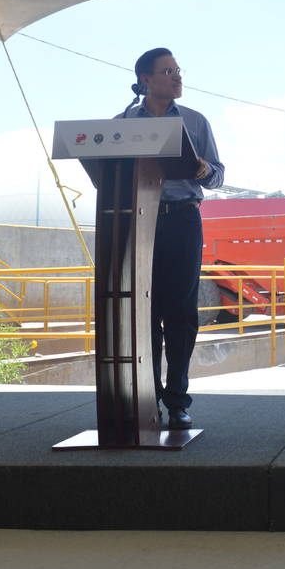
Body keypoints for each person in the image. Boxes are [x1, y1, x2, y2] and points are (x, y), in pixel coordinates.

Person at [120, 48, 224, 430]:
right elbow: (106, 168)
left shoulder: (194, 121)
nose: (177, 76)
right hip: (139, 220)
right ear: (145, 79)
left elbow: (218, 176)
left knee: (181, 313)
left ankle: (178, 400)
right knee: (143, 313)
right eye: (168, 71)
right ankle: (146, 398)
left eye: (178, 70)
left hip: (182, 220)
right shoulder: (123, 122)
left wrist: (202, 168)